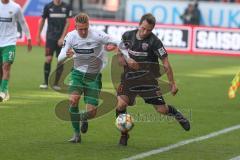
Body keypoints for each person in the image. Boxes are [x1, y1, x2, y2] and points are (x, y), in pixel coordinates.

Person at [116, 13, 191, 146]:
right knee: (121, 104)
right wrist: (125, 60)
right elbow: (119, 53)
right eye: (143, 28)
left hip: (147, 80)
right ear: (139, 24)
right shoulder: (127, 35)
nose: (145, 32)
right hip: (129, 78)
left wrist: (172, 84)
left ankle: (176, 114)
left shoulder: (154, 42)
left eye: (149, 30)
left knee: (162, 110)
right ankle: (124, 134)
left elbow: (166, 63)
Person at [58, 12, 119, 143]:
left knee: (92, 112)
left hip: (94, 75)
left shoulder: (97, 35)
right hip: (78, 73)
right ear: (75, 27)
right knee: (73, 100)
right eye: (81, 29)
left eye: (86, 28)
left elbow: (116, 41)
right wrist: (66, 56)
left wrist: (118, 47)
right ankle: (76, 134)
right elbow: (60, 57)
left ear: (89, 25)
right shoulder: (70, 36)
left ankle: (84, 117)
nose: (84, 32)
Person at [0, 0, 32, 102]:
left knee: (6, 66)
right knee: (1, 69)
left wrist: (29, 38)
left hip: (10, 42)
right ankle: (5, 89)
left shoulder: (16, 7)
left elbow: (22, 22)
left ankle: (2, 92)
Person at [37, 0, 72, 90]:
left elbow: (68, 22)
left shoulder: (66, 7)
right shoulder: (48, 6)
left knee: (60, 60)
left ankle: (56, 84)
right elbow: (42, 21)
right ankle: (45, 83)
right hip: (50, 38)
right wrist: (38, 35)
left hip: (61, 39)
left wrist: (62, 37)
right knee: (48, 59)